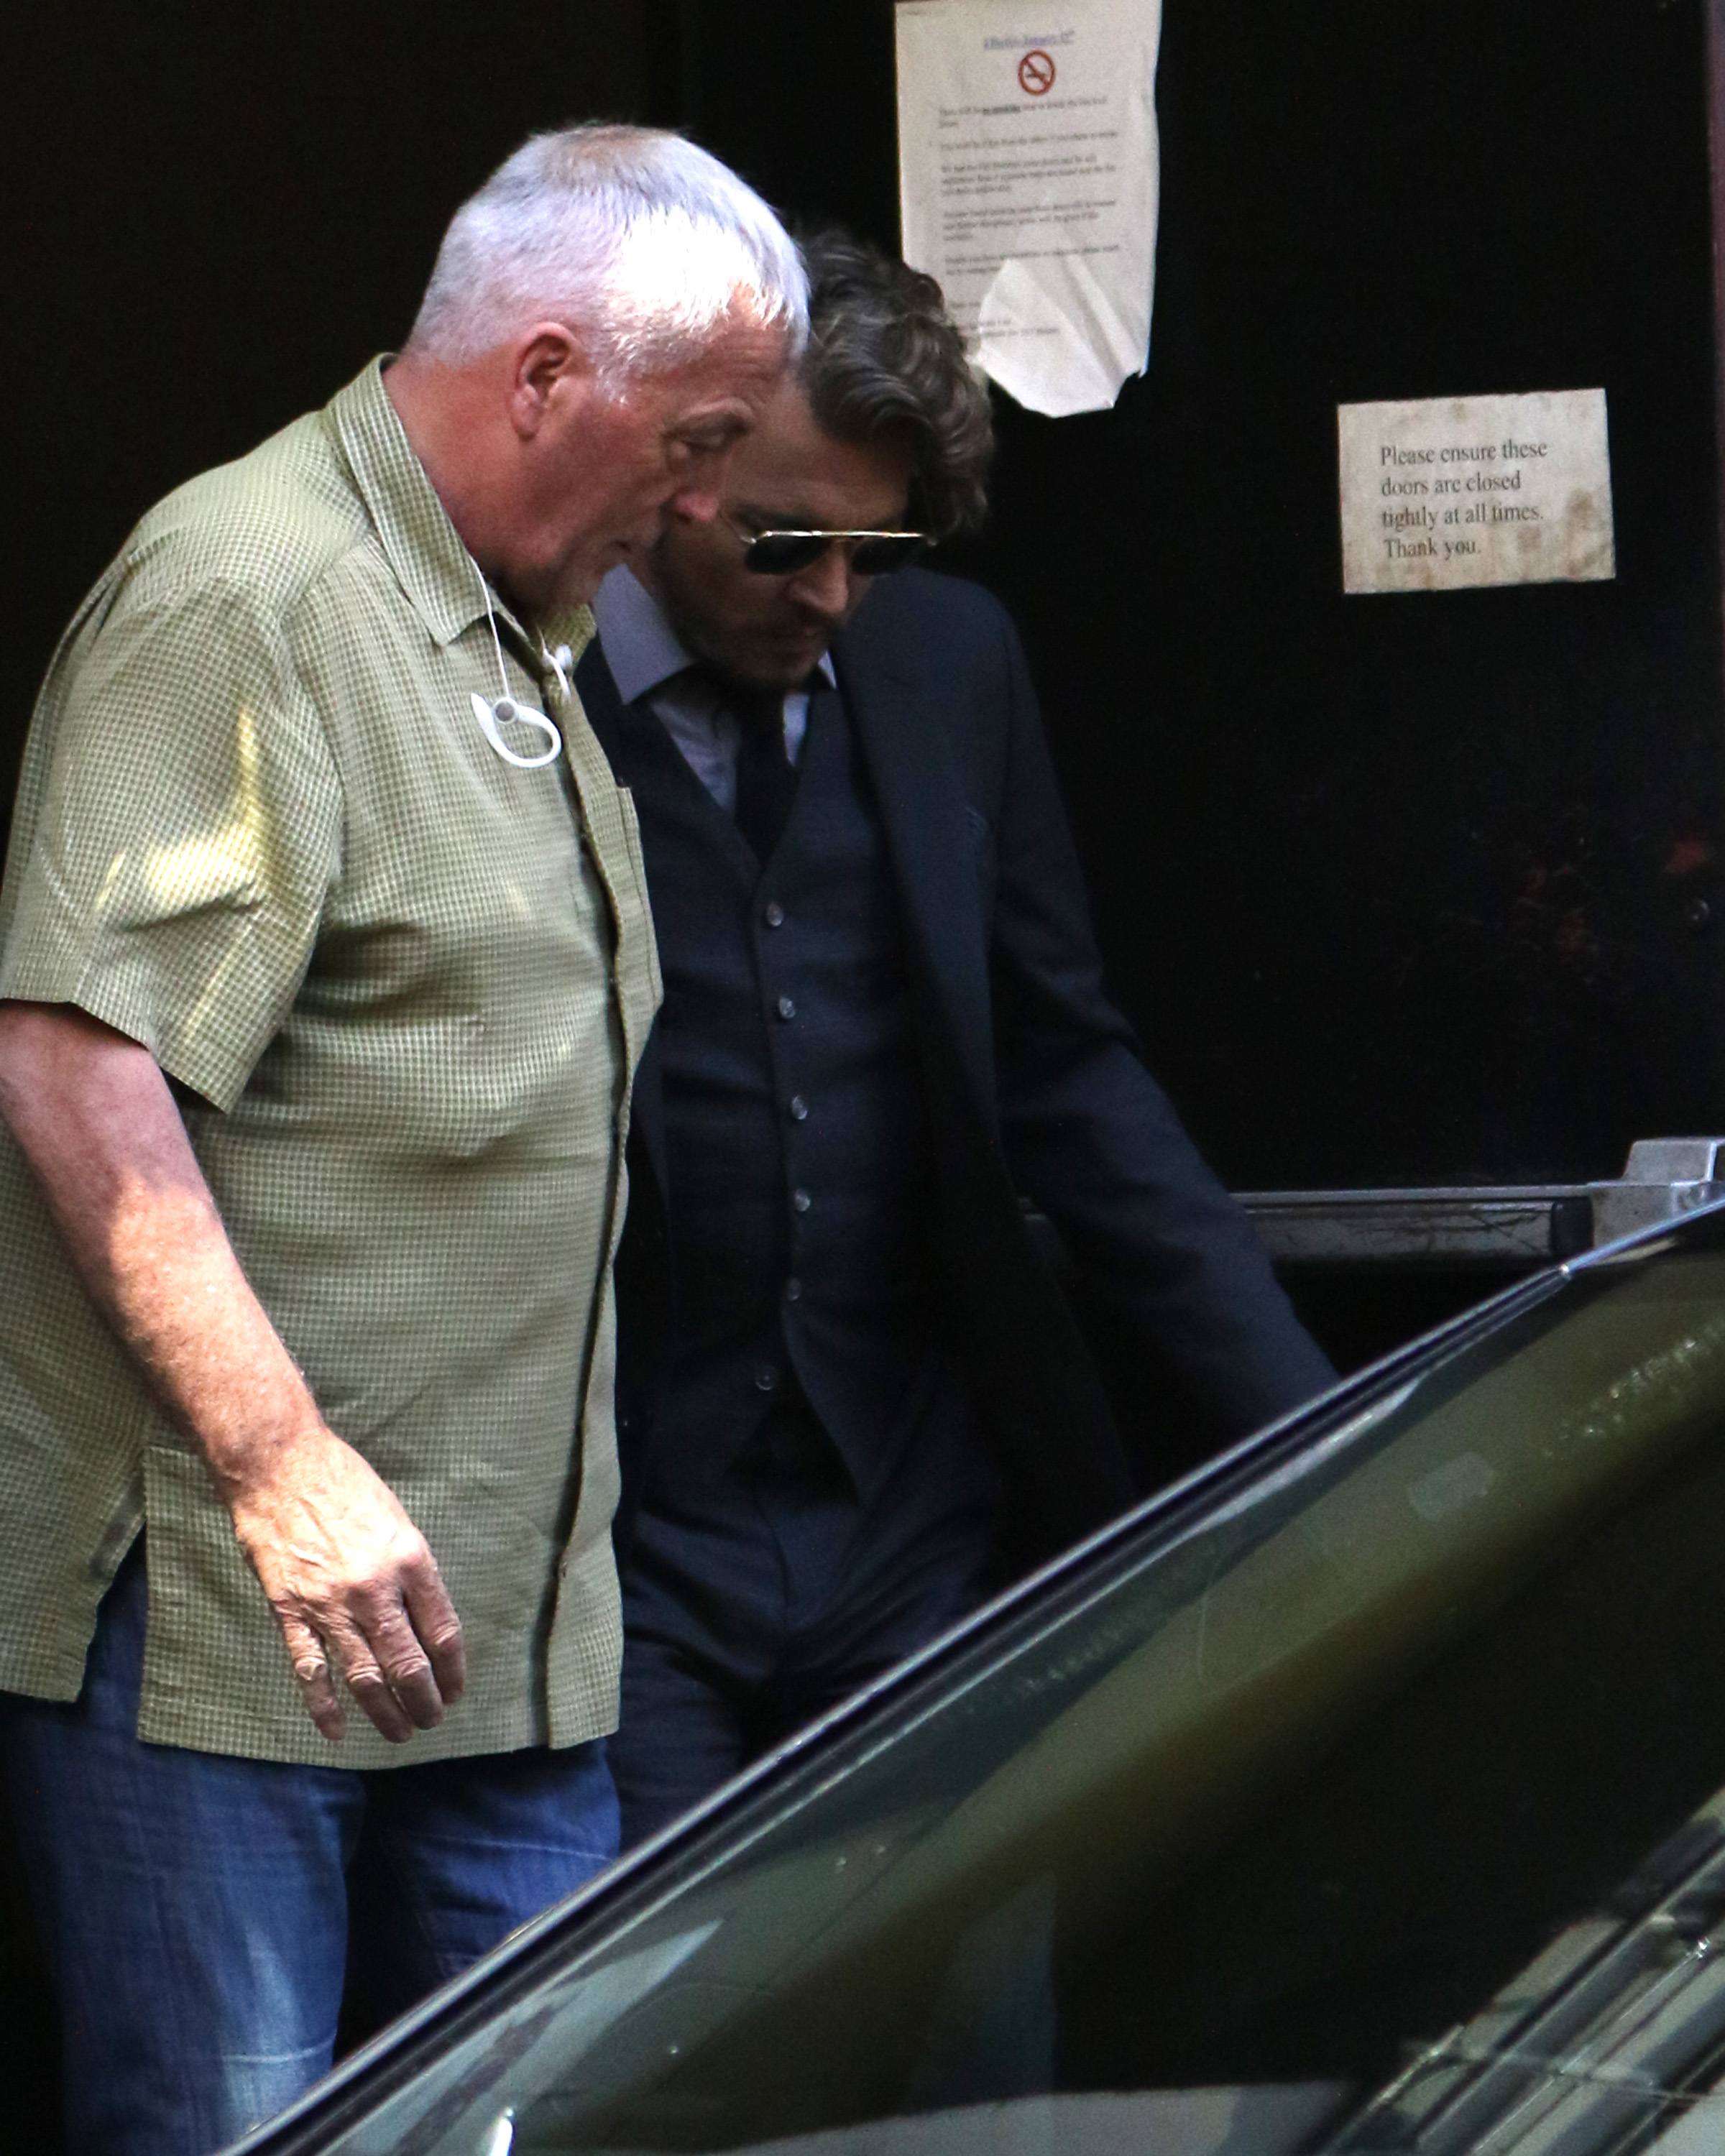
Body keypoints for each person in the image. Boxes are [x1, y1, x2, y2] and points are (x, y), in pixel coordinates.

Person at [0, 124, 805, 2156]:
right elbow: (74, 1060)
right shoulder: (250, 592)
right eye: (696, 440)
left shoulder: (516, 617)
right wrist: (282, 1467)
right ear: (542, 376)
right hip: (237, 1633)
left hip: (503, 1646)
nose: (703, 502)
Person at [576, 229, 1336, 1846]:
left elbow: (1066, 1066)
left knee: (958, 1977)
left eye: (880, 550)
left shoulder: (947, 662)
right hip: (621, 1542)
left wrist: (1311, 1427)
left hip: (912, 1521)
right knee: (659, 1998)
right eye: (789, 544)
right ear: (674, 463)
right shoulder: (516, 681)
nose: (834, 597)